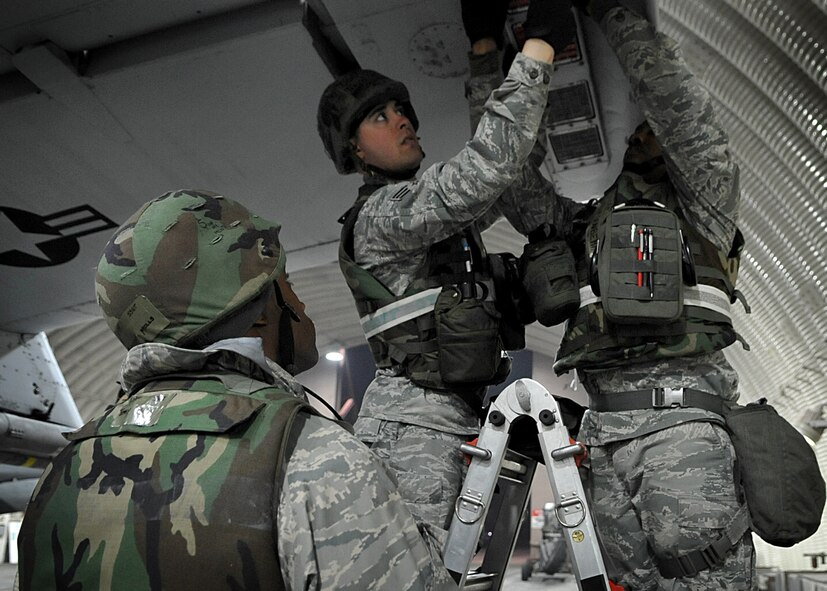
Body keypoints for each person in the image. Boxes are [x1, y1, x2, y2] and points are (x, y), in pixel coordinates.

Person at [16, 189, 457, 591]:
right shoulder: (314, 457)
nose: (300, 305)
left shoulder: (63, 469)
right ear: (262, 310)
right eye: (287, 286)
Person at [492, 1, 755, 588]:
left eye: (648, 123)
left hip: (681, 430)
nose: (641, 129)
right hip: (604, 441)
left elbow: (680, 108)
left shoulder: (705, 201)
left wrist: (617, 13)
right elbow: (510, 179)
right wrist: (492, 62)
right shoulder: (589, 226)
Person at [315, 0, 576, 546]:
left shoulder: (432, 221)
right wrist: (538, 50)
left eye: (401, 109)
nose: (402, 120)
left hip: (452, 421)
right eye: (379, 117)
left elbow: (506, 177)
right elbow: (485, 168)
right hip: (413, 432)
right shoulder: (385, 216)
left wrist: (485, 56)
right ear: (354, 151)